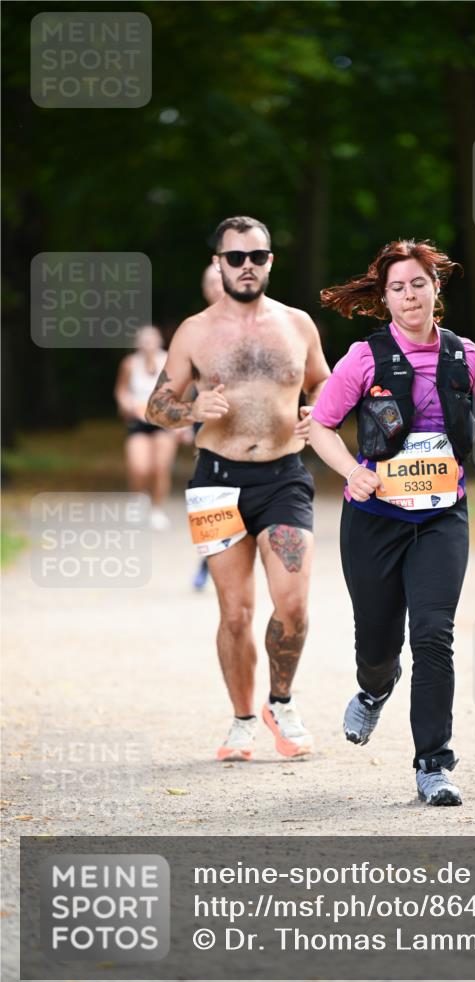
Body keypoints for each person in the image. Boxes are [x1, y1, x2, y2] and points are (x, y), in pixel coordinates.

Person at [309, 239, 475, 806]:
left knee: (433, 634)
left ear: (436, 289)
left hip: (442, 515)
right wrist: (353, 473)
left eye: (418, 284)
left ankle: (434, 764)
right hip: (375, 517)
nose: (409, 296)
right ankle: (374, 688)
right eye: (397, 288)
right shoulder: (363, 358)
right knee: (378, 642)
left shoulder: (465, 355)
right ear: (385, 297)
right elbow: (321, 428)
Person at [146, 215, 330, 760]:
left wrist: (317, 411)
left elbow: (323, 381)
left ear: (270, 261)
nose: (245, 266)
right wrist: (191, 409)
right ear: (218, 263)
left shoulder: (297, 325)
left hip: (284, 477)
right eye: (234, 258)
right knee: (234, 613)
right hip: (216, 481)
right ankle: (243, 720)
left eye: (256, 257)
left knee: (292, 605)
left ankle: (282, 702)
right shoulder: (194, 331)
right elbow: (155, 407)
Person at [114, 325, 181, 530]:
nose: (148, 345)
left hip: (163, 422)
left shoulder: (168, 361)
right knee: (139, 467)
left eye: (151, 340)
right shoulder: (130, 363)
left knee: (161, 467)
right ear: (137, 345)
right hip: (138, 421)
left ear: (159, 341)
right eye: (143, 341)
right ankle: (138, 498)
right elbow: (122, 390)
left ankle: (157, 510)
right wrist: (126, 403)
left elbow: (181, 390)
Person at [192, 263, 225, 591]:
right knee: (212, 500)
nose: (218, 286)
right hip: (208, 429)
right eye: (211, 281)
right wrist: (187, 413)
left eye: (221, 279)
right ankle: (207, 561)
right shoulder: (194, 330)